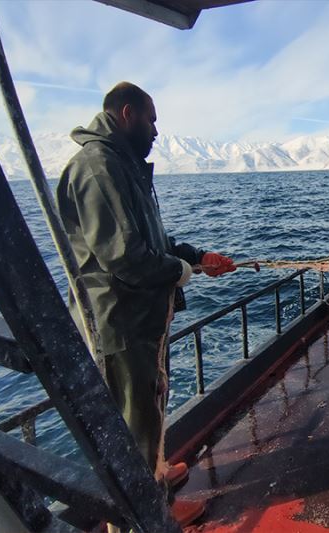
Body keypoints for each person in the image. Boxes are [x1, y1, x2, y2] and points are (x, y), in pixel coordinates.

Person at [56, 82, 235, 526]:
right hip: (119, 322)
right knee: (133, 426)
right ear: (127, 112)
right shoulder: (98, 170)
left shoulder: (124, 167)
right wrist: (180, 272)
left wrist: (195, 257)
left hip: (143, 320)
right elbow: (126, 258)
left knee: (150, 413)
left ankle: (154, 477)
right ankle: (146, 517)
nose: (157, 130)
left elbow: (154, 242)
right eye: (152, 119)